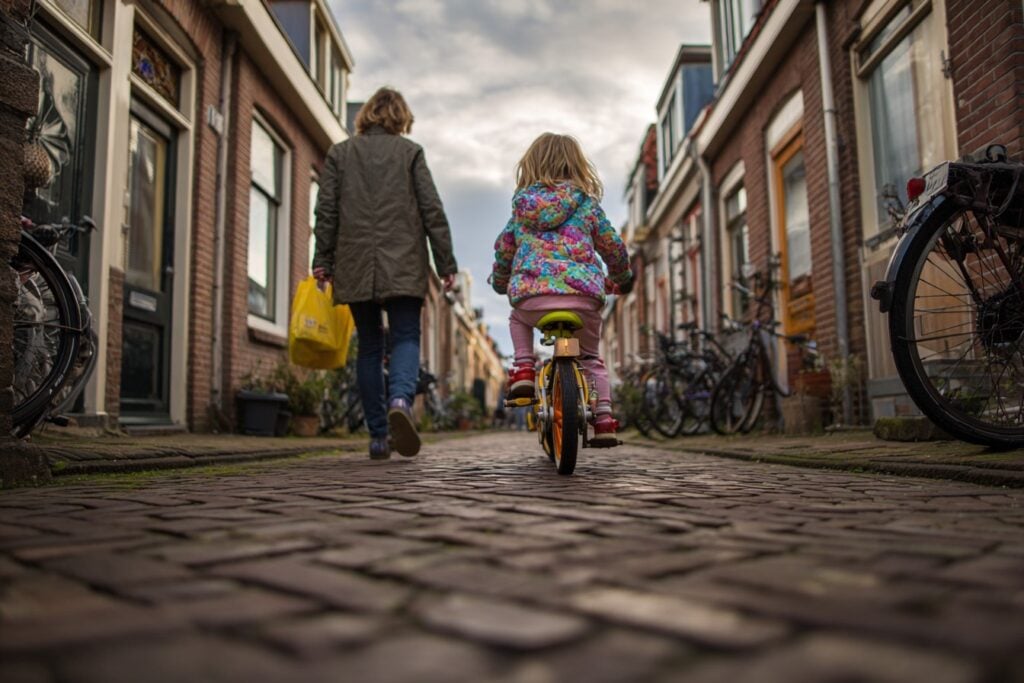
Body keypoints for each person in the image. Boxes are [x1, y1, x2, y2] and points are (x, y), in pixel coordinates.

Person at [313, 87, 457, 460]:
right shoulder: (410, 153)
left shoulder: (340, 154)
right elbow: (432, 210)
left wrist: (322, 260)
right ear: (401, 117)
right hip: (405, 261)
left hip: (355, 261)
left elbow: (326, 210)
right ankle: (400, 399)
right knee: (407, 335)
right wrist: (446, 264)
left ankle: (378, 436)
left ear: (365, 117)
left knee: (370, 346)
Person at [490, 132, 632, 446]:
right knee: (591, 359)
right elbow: (614, 248)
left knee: (517, 318)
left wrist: (501, 282)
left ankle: (524, 368)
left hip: (532, 299)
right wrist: (622, 278)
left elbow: (504, 251)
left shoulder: (521, 210)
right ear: (577, 166)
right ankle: (603, 414)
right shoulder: (588, 206)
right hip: (583, 299)